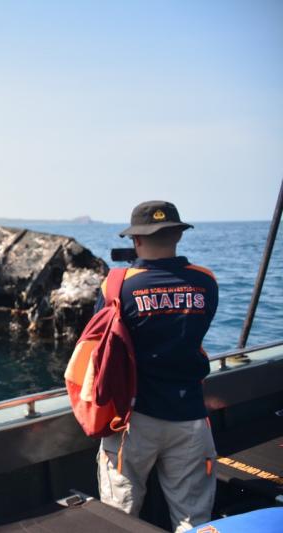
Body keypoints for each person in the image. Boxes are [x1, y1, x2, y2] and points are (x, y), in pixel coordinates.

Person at [96, 201, 219, 533]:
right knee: (194, 519)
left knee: (119, 517)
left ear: (136, 240)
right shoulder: (206, 282)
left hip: (133, 420)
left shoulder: (118, 285)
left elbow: (100, 343)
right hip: (191, 417)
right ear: (178, 235)